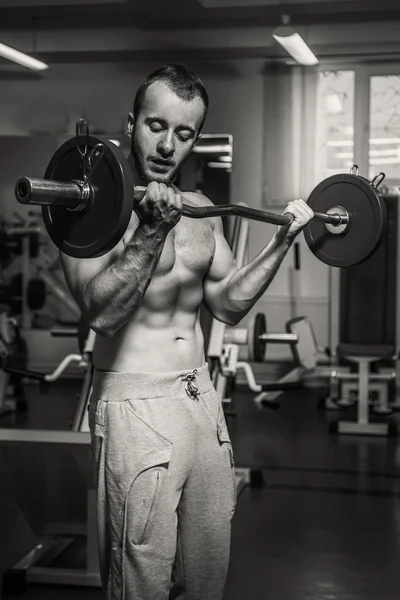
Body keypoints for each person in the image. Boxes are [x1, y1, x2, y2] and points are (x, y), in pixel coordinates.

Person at [60, 63, 314, 600]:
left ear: (195, 139)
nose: (167, 145)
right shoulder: (84, 207)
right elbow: (102, 314)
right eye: (156, 126)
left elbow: (227, 305)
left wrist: (282, 242)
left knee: (206, 568)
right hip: (135, 406)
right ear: (131, 123)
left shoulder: (201, 211)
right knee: (141, 575)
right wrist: (151, 232)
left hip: (200, 399)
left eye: (184, 133)